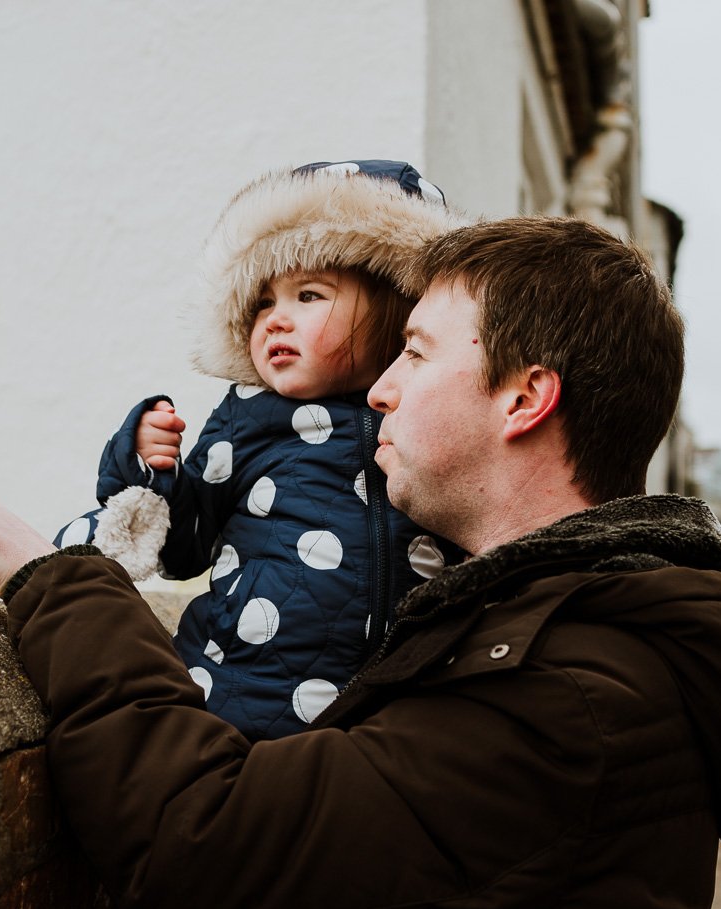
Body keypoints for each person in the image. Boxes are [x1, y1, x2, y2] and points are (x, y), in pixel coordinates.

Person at [0, 216, 721, 909]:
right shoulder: (544, 634)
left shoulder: (572, 694)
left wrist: (53, 578)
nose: (380, 389)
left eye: (415, 351)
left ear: (526, 398)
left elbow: (203, 845)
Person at [52, 159, 465, 740]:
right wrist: (151, 468)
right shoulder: (248, 420)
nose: (275, 320)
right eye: (264, 303)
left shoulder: (431, 411)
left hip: (403, 712)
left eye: (309, 295)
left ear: (398, 306)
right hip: (243, 694)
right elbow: (182, 545)